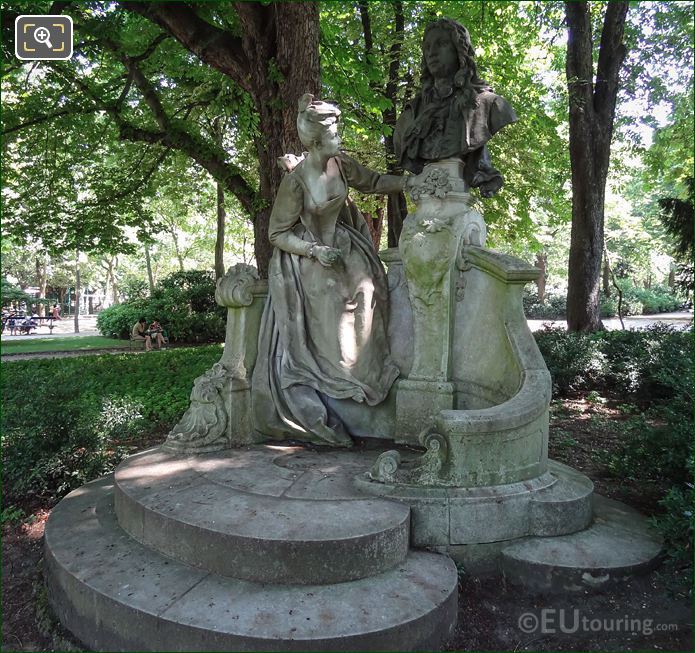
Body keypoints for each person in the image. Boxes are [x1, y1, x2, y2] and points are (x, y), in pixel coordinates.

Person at [252, 94, 416, 448]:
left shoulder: (340, 164)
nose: (340, 135)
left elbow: (373, 182)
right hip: (305, 256)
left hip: (340, 247)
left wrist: (409, 184)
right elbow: (276, 233)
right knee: (333, 302)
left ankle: (367, 376)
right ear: (316, 139)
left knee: (369, 290)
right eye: (334, 130)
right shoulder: (296, 181)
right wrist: (314, 250)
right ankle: (338, 380)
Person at [393, 18, 517, 197]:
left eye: (441, 44)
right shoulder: (410, 116)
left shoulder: (490, 105)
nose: (432, 52)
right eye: (427, 47)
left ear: (460, 51)